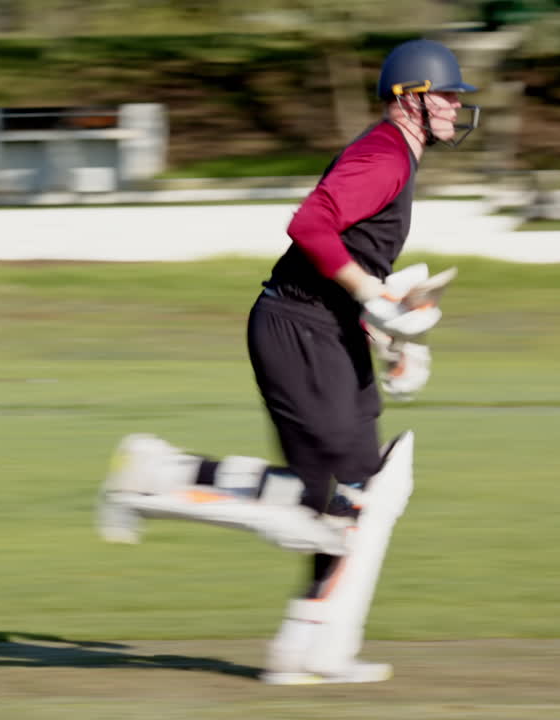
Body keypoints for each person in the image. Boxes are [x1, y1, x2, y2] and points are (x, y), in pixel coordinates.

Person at [95, 38, 479, 683]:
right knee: (321, 508)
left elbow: (345, 254)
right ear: (406, 99)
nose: (454, 106)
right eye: (444, 94)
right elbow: (310, 225)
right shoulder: (384, 154)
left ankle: (308, 649)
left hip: (328, 331)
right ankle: (156, 474)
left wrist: (390, 334)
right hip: (297, 329)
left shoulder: (397, 160)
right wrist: (370, 298)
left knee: (360, 497)